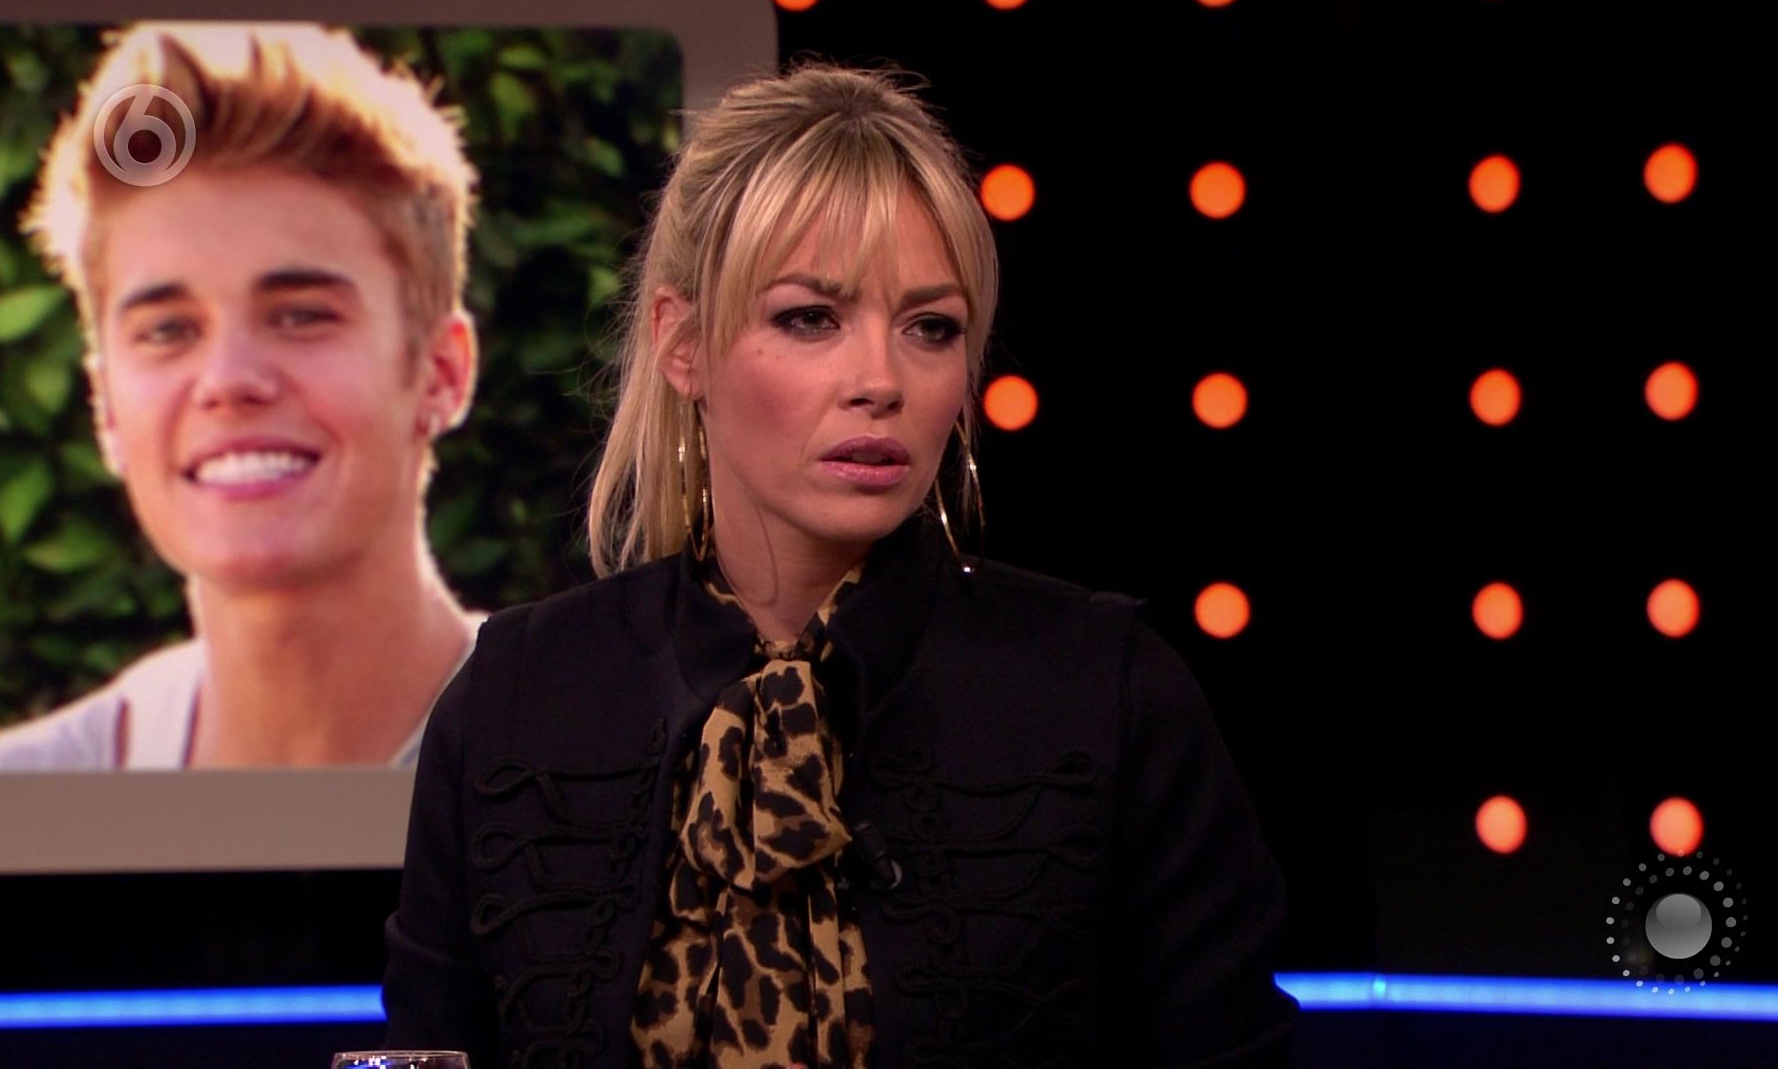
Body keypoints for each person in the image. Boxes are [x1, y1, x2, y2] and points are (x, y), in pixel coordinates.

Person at [383, 65, 1297, 1066]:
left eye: (931, 328)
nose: (881, 381)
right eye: (810, 318)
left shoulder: (1107, 694)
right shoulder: (515, 697)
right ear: (683, 344)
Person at [0, 24, 483, 769]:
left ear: (442, 372)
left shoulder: (618, 780)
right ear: (105, 406)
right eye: (167, 330)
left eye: (301, 316)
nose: (227, 380)